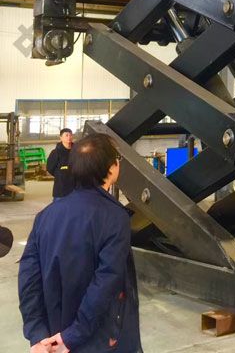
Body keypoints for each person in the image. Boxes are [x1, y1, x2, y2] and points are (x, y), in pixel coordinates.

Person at [19, 133, 142, 353]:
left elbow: (28, 277)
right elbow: (106, 281)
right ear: (111, 168)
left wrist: (37, 334)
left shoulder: (46, 215)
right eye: (117, 159)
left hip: (52, 337)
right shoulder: (115, 218)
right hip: (97, 339)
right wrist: (72, 336)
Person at [46, 128, 74, 199]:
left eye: (70, 135)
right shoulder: (56, 152)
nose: (69, 137)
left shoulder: (76, 151)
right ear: (61, 138)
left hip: (75, 187)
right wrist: (60, 174)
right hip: (61, 187)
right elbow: (50, 168)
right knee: (59, 204)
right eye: (66, 135)